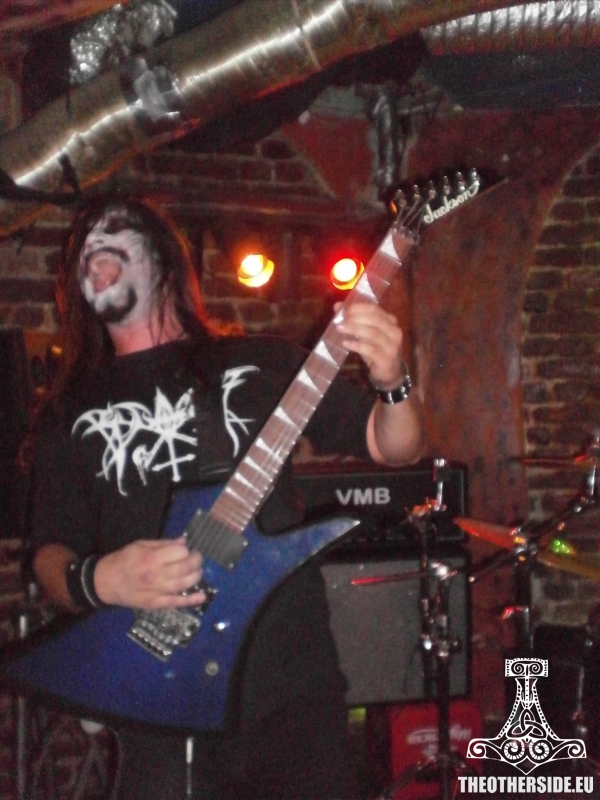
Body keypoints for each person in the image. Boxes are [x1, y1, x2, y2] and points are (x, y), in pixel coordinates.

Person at [29, 195, 424, 800]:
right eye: (83, 249)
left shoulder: (260, 362)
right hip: (160, 697)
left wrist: (393, 380)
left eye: (115, 234)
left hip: (292, 690)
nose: (94, 248)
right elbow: (47, 556)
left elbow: (394, 446)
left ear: (163, 260)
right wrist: (101, 579)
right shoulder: (69, 412)